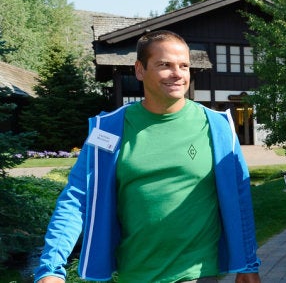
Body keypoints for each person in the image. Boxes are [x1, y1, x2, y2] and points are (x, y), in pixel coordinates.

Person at [34, 30, 261, 283]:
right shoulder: (108, 130)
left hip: (198, 273)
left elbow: (240, 197)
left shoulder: (218, 126)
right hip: (134, 274)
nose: (177, 74)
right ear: (140, 70)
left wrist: (248, 263)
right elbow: (78, 197)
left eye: (184, 66)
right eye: (165, 65)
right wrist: (51, 268)